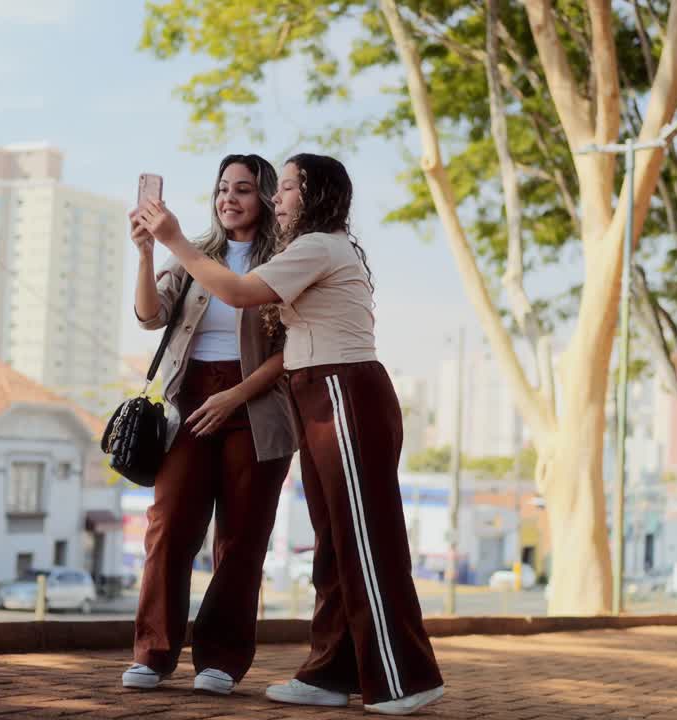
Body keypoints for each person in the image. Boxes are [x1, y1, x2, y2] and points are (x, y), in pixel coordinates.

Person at [135, 153, 444, 715]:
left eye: (287, 188)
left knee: (365, 545)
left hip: (342, 393)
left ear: (315, 194)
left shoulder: (316, 246)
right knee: (334, 545)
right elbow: (164, 309)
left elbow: (238, 293)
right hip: (319, 396)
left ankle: (407, 679)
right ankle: (330, 673)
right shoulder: (316, 248)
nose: (278, 198)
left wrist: (175, 239)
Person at [122, 154, 297, 697]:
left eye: (243, 189)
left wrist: (236, 396)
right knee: (169, 527)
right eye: (223, 188)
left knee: (241, 539)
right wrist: (148, 252)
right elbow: (150, 316)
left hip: (257, 408)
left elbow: (294, 351)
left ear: (266, 198)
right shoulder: (197, 255)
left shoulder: (286, 260)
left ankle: (221, 659)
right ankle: (153, 653)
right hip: (189, 404)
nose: (229, 198)